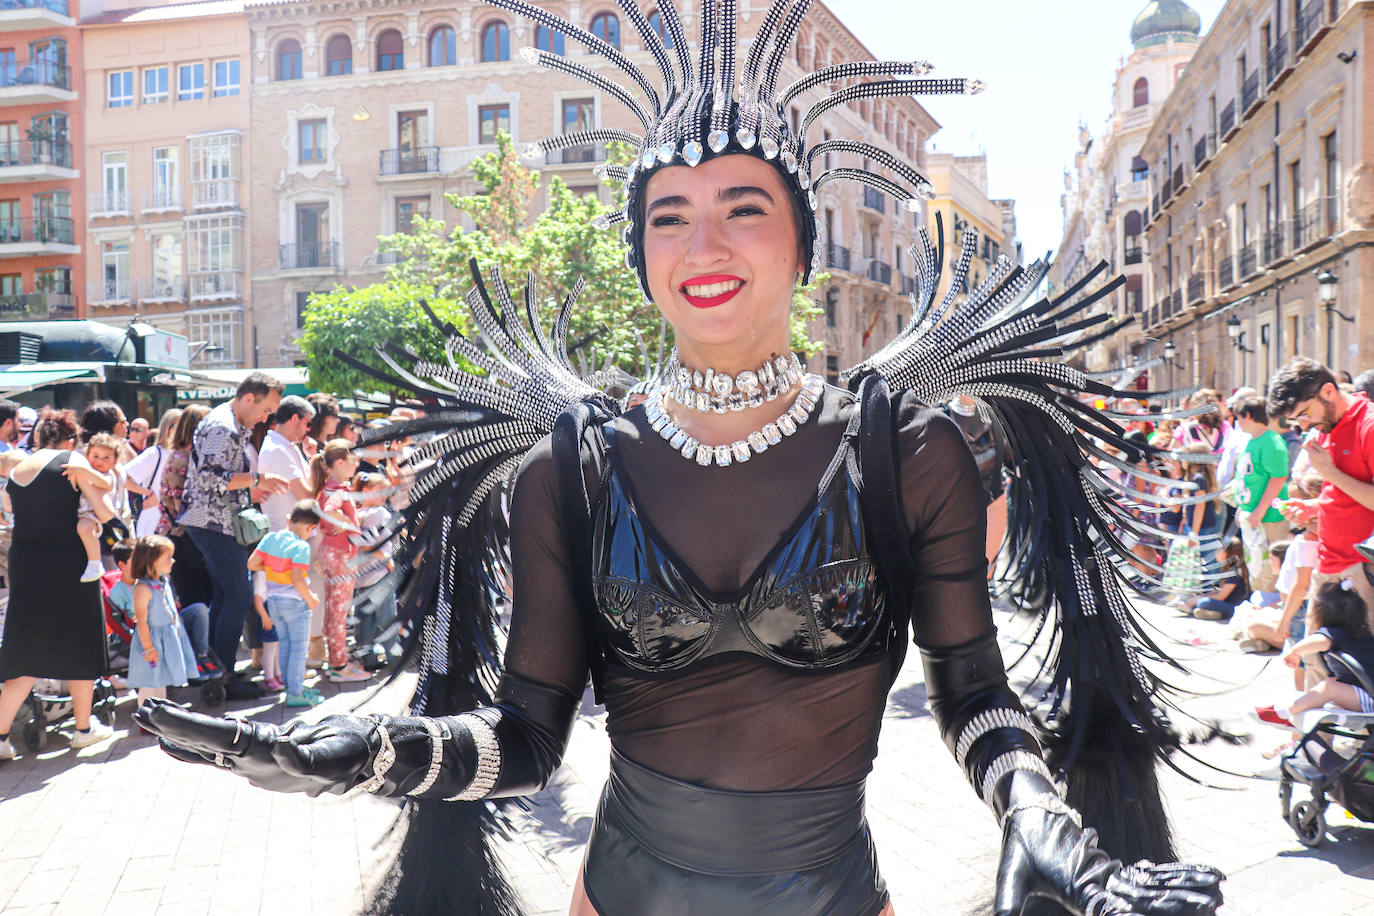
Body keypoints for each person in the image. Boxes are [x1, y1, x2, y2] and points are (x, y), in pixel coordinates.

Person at [136, 4, 1224, 913]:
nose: (703, 247)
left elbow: (976, 698)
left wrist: (1033, 804)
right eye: (670, 218)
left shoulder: (907, 449)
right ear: (641, 252)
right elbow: (524, 734)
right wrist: (373, 753)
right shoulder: (576, 463)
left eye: (742, 210)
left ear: (802, 244)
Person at [0, 409, 116, 758]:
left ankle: (1, 738)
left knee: (24, 648)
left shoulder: (15, 469)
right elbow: (107, 512)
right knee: (81, 640)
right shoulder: (73, 460)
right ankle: (82, 729)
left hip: (25, 561)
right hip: (70, 561)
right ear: (70, 440)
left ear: (36, 437)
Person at [177, 374, 290, 700]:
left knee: (229, 597)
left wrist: (254, 485)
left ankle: (215, 670)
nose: (266, 418)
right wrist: (257, 478)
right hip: (214, 525)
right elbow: (211, 479)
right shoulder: (222, 427)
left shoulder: (227, 423)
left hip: (216, 524)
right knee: (238, 597)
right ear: (249, 398)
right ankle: (221, 675)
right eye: (266, 409)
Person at [1269, 358, 1374, 636]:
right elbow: (1345, 494)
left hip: (1361, 571)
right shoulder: (1327, 425)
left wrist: (1328, 470)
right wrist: (1313, 508)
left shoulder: (1369, 424)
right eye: (1296, 419)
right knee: (1316, 662)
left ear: (1328, 391)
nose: (1303, 424)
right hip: (1327, 566)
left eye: (1304, 413)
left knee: (1353, 670)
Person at [1253, 580, 1374, 726]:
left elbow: (1321, 641)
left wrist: (1294, 651)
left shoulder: (1334, 633)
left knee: (1328, 688)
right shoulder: (1361, 635)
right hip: (1366, 692)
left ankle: (1287, 712)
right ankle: (1297, 713)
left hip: (1369, 698)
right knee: (1330, 684)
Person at [246, 499, 322, 707]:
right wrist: (311, 599)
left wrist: (274, 569)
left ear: (289, 518)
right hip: (296, 603)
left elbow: (252, 563)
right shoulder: (300, 546)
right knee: (299, 649)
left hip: (274, 602)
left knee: (286, 646)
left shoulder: (271, 538)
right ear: (311, 527)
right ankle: (295, 691)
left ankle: (291, 687)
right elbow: (298, 579)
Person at [310, 438, 367, 683]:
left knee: (335, 610)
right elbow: (331, 509)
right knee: (338, 611)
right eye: (352, 460)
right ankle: (340, 666)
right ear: (341, 462)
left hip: (333, 553)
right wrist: (347, 523)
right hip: (341, 554)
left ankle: (337, 661)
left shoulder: (330, 488)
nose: (356, 465)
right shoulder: (337, 490)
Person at [125, 535, 199, 705]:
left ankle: (161, 716)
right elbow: (142, 621)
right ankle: (147, 716)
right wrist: (149, 647)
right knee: (149, 681)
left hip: (167, 639)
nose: (172, 561)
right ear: (151, 560)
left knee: (162, 679)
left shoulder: (163, 582)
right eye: (167, 557)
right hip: (152, 642)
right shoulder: (143, 589)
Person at [1233, 395, 1290, 593]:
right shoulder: (1250, 440)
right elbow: (1247, 479)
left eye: (1238, 417)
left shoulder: (1272, 441)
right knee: (1255, 566)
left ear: (1247, 415)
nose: (1237, 422)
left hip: (1270, 518)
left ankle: (1270, 613)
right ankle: (1258, 610)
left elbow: (1278, 478)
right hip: (1253, 516)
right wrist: (1242, 507)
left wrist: (1259, 510)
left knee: (1270, 568)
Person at [124, 408, 182, 537]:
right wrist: (149, 493)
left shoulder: (186, 454)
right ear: (168, 428)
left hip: (180, 522)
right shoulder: (156, 453)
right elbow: (122, 476)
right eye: (178, 426)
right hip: (155, 519)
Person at [71, 432, 121, 582]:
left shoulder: (108, 476)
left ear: (114, 461)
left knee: (85, 528)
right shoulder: (88, 472)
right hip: (82, 512)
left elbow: (103, 483)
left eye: (106, 457)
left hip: (94, 515)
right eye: (95, 456)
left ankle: (95, 564)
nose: (100, 461)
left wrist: (82, 470)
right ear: (87, 456)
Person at [1179, 537, 1247, 621]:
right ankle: (1212, 613)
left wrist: (1196, 600)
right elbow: (1220, 591)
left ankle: (1208, 610)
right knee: (1199, 600)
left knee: (1203, 603)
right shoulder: (1228, 568)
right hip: (1225, 604)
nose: (1217, 552)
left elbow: (1220, 597)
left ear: (1231, 553)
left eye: (1221, 550)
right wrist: (1201, 596)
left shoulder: (1235, 572)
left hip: (1234, 607)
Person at [251, 571, 281, 691]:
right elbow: (257, 599)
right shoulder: (261, 574)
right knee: (269, 649)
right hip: (268, 617)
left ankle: (278, 674)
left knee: (277, 648)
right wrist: (264, 617)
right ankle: (269, 677)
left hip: (277, 615)